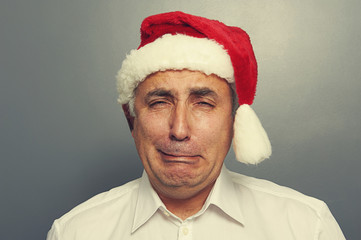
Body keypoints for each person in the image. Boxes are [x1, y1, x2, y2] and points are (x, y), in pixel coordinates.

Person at [47, 11, 345, 239]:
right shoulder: (75, 231)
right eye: (159, 102)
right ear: (131, 120)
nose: (179, 130)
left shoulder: (308, 226)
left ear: (234, 121)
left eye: (203, 103)